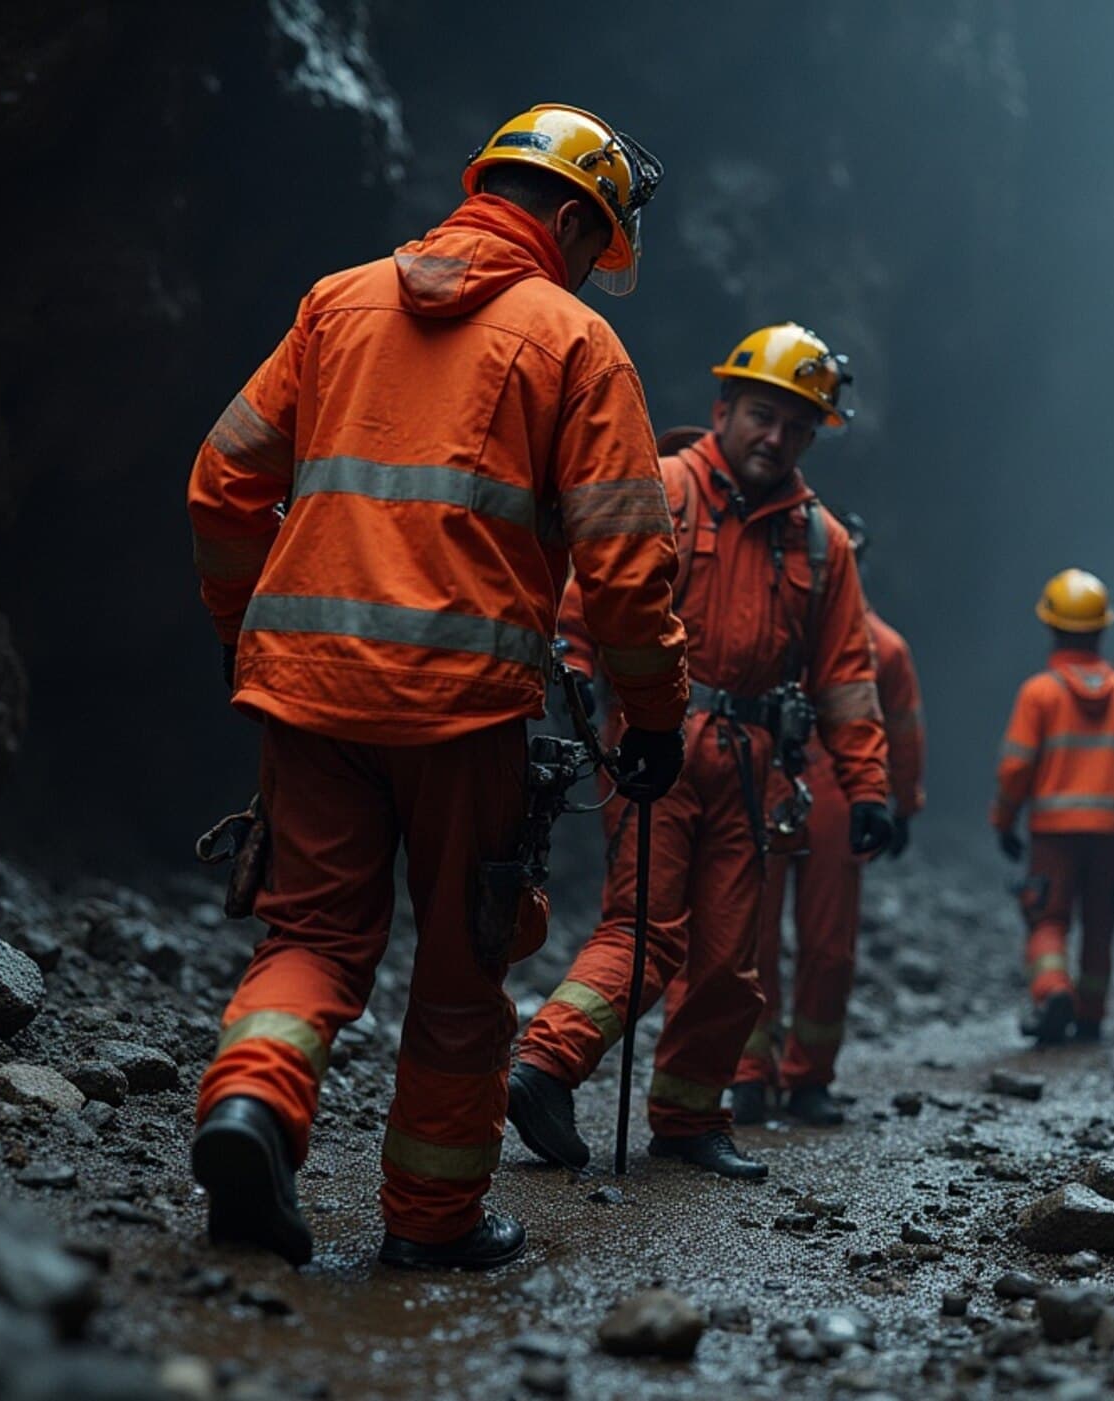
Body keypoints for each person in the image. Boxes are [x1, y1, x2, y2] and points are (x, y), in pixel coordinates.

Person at [185, 104, 686, 1271]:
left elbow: (220, 483)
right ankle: (431, 1222)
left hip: (306, 697)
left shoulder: (336, 301)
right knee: (461, 972)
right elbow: (624, 565)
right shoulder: (574, 343)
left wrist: (239, 630)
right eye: (590, 241)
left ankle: (249, 1107)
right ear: (570, 216)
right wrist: (650, 714)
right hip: (464, 715)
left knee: (308, 934)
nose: (582, 264)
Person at [509, 323, 893, 1181]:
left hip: (755, 761)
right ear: (724, 407)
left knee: (731, 957)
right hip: (657, 737)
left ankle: (688, 1116)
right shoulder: (665, 487)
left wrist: (866, 784)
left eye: (797, 427)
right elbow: (587, 598)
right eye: (763, 415)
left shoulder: (822, 541)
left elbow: (845, 677)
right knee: (644, 928)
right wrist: (572, 694)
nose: (777, 437)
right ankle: (546, 1063)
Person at [732, 511, 925, 1126]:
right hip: (769, 776)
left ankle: (808, 1074)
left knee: (827, 945)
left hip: (838, 783)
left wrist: (901, 801)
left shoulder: (882, 648)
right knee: (752, 937)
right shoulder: (772, 624)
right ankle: (749, 1073)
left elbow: (901, 732)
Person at [993, 570, 1114, 1043]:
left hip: (1052, 832)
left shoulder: (1039, 693)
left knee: (1047, 917)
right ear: (1102, 630)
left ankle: (1051, 991)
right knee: (1101, 920)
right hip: (1111, 832)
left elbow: (1015, 769)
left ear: (1051, 626)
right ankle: (1090, 1013)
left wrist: (1004, 821)